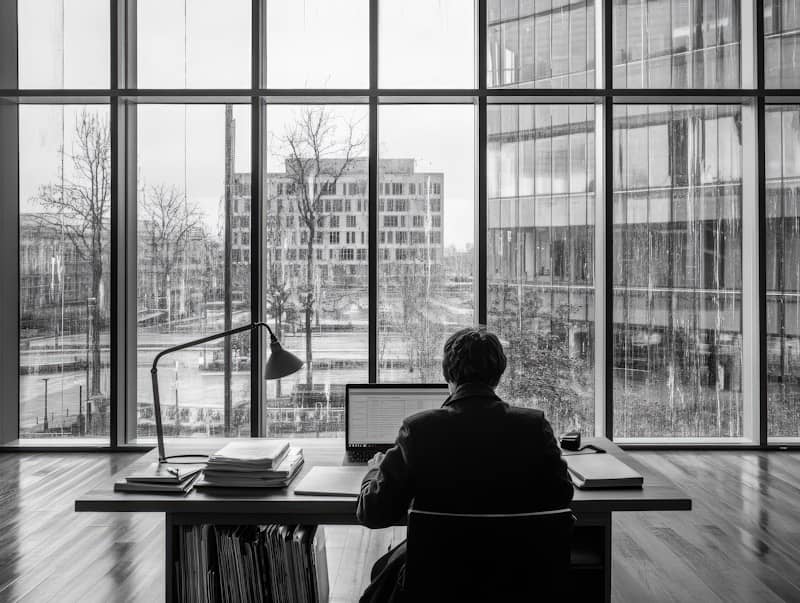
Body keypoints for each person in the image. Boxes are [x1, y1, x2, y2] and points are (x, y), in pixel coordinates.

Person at [356, 327, 574, 602]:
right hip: (517, 579)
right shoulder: (534, 426)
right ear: (498, 375)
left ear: (447, 374)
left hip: (436, 584)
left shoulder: (419, 429)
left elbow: (373, 513)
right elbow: (562, 495)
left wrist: (375, 469)